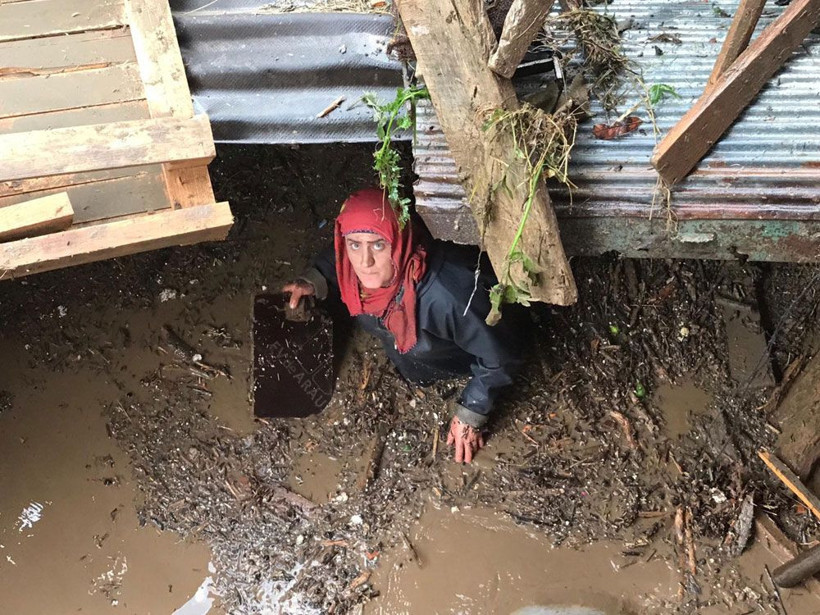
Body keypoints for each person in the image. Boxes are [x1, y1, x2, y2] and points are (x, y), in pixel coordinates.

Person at [283, 188, 522, 463]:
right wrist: (314, 280)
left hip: (459, 361)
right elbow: (336, 259)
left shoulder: (446, 295)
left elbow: (500, 354)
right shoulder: (354, 269)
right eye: (355, 244)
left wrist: (473, 411)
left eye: (378, 244)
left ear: (400, 240)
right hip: (414, 357)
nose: (365, 262)